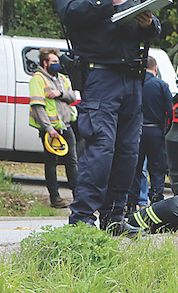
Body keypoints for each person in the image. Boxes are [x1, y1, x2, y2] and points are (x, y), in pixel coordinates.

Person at [55, 0, 161, 231]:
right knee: (100, 150)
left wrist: (148, 24)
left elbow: (154, 26)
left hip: (133, 77)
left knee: (128, 151)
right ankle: (82, 219)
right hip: (100, 75)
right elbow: (68, 13)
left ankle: (114, 217)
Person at [29, 48, 78, 208]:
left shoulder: (62, 79)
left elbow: (73, 96)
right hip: (50, 130)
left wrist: (60, 93)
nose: (57, 64)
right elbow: (38, 107)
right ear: (45, 63)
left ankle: (78, 197)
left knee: (72, 162)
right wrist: (49, 128)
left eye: (57, 61)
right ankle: (55, 198)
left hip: (66, 127)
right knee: (51, 163)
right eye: (54, 62)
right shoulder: (38, 79)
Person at [126, 55, 172, 213]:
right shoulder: (161, 85)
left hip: (135, 130)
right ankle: (157, 201)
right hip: (156, 131)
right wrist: (167, 130)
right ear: (156, 68)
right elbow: (170, 111)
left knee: (135, 168)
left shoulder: (135, 84)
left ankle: (131, 203)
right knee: (157, 169)